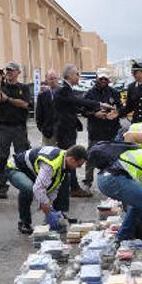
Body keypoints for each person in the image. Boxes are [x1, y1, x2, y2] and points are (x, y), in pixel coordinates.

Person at [54, 64, 114, 198]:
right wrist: (99, 104)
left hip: (68, 129)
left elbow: (75, 106)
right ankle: (73, 188)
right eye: (76, 74)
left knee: (69, 159)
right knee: (70, 159)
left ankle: (71, 187)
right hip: (65, 130)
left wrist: (93, 112)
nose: (78, 77)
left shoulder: (67, 89)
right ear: (69, 76)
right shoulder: (63, 89)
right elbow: (77, 101)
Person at [6, 145, 87, 234]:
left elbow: (55, 185)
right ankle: (24, 222)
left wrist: (50, 206)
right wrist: (47, 210)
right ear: (71, 159)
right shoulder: (51, 164)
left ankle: (58, 213)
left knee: (65, 178)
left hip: (31, 172)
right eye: (78, 165)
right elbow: (38, 188)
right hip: (16, 168)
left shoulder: (64, 160)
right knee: (28, 188)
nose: (78, 168)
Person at [0, 62, 31, 199]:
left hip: (19, 127)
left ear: (18, 72)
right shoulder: (0, 86)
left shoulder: (23, 88)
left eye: (12, 70)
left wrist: (8, 99)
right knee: (1, 158)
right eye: (7, 70)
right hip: (3, 127)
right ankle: (2, 186)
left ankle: (26, 184)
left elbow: (24, 104)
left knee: (22, 157)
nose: (9, 72)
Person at [83, 68, 122, 190]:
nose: (103, 80)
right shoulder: (89, 93)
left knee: (113, 157)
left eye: (106, 78)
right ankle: (87, 181)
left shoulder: (115, 92)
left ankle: (114, 180)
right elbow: (83, 111)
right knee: (90, 156)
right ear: (97, 79)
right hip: (96, 130)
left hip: (112, 129)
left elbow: (120, 108)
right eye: (101, 78)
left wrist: (116, 113)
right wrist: (95, 114)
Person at [35, 70, 60, 147]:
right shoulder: (42, 96)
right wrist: (43, 129)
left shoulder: (64, 92)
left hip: (62, 132)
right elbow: (39, 115)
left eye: (55, 78)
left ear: (58, 79)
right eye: (51, 79)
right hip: (48, 133)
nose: (53, 80)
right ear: (47, 80)